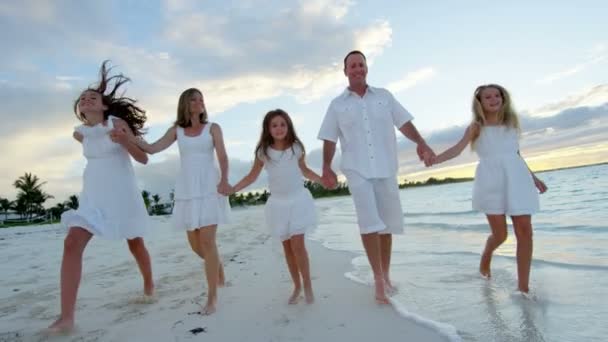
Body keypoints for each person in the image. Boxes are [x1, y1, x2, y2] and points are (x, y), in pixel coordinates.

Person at [317, 50, 435, 304]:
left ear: (366, 68)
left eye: (361, 64)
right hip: (356, 169)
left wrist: (421, 142)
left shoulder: (384, 96)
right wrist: (326, 166)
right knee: (369, 222)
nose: (357, 69)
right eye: (352, 65)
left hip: (386, 167)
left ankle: (386, 273)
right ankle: (378, 279)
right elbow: (329, 137)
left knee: (386, 224)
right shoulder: (337, 105)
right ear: (345, 71)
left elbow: (404, 123)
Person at [47, 61, 154, 334]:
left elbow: (142, 158)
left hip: (121, 193)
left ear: (104, 106)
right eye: (83, 98)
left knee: (135, 243)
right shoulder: (80, 133)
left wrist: (124, 141)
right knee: (72, 243)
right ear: (81, 108)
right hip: (93, 196)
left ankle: (149, 284)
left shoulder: (116, 123)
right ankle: (66, 317)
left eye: (92, 97)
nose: (86, 99)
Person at [118, 88, 230, 315]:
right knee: (197, 246)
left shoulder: (213, 128)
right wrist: (128, 137)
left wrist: (225, 180)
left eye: (201, 99)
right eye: (194, 99)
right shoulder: (177, 130)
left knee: (208, 242)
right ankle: (217, 264)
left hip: (209, 186)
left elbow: (223, 156)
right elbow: (152, 148)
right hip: (187, 189)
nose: (199, 102)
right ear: (185, 104)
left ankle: (212, 297)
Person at [431, 84, 548, 293]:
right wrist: (435, 159)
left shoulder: (511, 124)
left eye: (497, 95)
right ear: (480, 103)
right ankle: (487, 254)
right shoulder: (476, 127)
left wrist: (534, 178)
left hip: (518, 179)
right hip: (491, 181)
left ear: (503, 99)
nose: (494, 99)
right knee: (500, 235)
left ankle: (523, 288)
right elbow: (457, 149)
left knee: (525, 231)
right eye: (488, 97)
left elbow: (516, 155)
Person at [231, 109, 322, 304]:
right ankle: (296, 285)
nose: (279, 128)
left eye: (282, 124)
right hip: (278, 206)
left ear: (288, 126)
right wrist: (233, 188)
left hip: (298, 201)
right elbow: (252, 176)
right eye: (274, 125)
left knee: (298, 245)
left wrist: (322, 179)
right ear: (268, 129)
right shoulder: (263, 152)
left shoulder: (296, 148)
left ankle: (307, 285)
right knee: (288, 249)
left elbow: (305, 170)